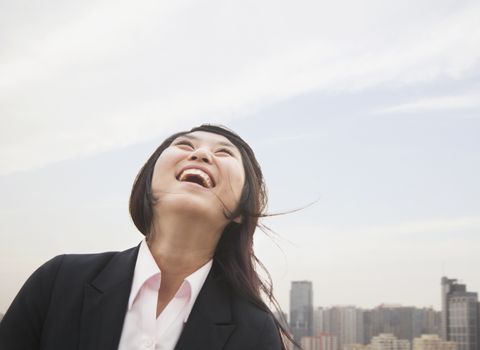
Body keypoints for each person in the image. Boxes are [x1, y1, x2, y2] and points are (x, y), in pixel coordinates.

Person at [0, 124, 292, 349]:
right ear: (148, 185)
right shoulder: (58, 283)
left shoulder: (255, 332)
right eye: (184, 145)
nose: (201, 154)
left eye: (224, 152)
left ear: (241, 209)